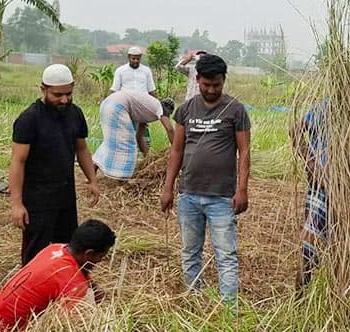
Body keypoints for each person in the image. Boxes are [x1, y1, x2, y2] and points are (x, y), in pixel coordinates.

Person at [160, 54, 251, 303]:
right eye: (206, 84)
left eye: (217, 85)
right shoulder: (186, 110)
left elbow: (244, 152)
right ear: (197, 79)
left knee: (225, 254)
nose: (211, 90)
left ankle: (228, 309)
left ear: (224, 81)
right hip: (189, 194)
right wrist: (168, 188)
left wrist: (242, 189)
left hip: (222, 197)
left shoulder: (236, 110)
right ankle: (194, 300)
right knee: (190, 252)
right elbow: (177, 150)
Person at [11, 64, 100, 266]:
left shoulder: (75, 113)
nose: (64, 100)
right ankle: (31, 291)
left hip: (66, 195)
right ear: (43, 89)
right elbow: (18, 161)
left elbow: (82, 149)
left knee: (68, 249)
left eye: (69, 94)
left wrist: (92, 180)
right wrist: (17, 203)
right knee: (36, 253)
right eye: (57, 95)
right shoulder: (29, 119)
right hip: (37, 199)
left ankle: (64, 290)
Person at [0, 220, 116, 332]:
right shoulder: (73, 283)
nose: (99, 262)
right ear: (89, 254)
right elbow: (71, 330)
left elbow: (86, 283)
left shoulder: (55, 248)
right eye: (100, 257)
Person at [92, 90, 176, 180]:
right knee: (128, 143)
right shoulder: (160, 108)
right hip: (118, 107)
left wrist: (149, 160)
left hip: (108, 104)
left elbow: (139, 137)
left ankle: (92, 171)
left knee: (109, 142)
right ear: (168, 110)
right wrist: (177, 149)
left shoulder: (147, 109)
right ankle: (123, 179)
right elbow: (170, 129)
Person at [291, 99, 328, 288]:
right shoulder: (326, 107)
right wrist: (311, 163)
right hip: (321, 188)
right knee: (309, 245)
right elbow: (295, 130)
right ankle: (302, 296)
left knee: (342, 245)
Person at [110, 46, 159, 154]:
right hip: (126, 107)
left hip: (142, 107)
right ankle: (129, 156)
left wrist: (158, 106)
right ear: (128, 57)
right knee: (127, 134)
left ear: (140, 57)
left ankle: (147, 160)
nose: (135, 61)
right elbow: (114, 90)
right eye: (133, 58)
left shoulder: (146, 71)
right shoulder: (120, 71)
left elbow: (151, 90)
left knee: (143, 134)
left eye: (138, 58)